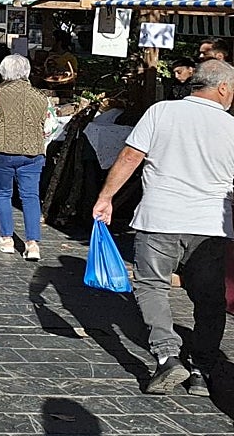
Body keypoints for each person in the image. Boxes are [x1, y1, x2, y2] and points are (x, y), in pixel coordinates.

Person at [92, 59, 234, 397]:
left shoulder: (161, 112)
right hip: (211, 224)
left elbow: (129, 157)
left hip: (160, 217)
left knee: (151, 286)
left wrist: (106, 198)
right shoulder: (231, 127)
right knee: (209, 300)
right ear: (224, 87)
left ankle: (168, 355)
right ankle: (201, 369)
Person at [0, 55, 55, 261]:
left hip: (3, 151)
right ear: (26, 72)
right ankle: (32, 244)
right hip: (33, 153)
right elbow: (50, 127)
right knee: (30, 196)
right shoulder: (41, 97)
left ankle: (7, 239)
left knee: (3, 193)